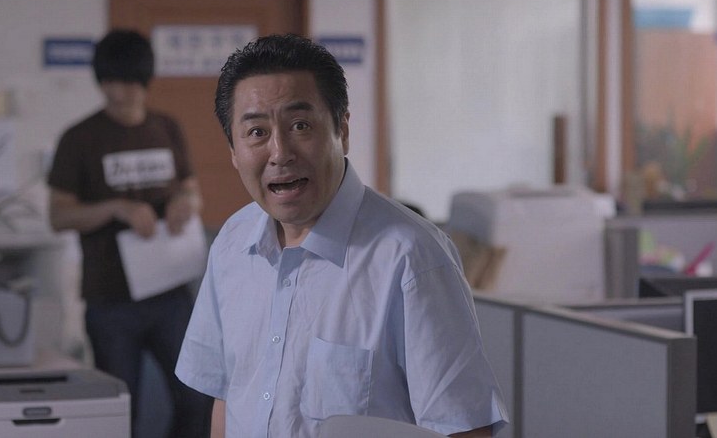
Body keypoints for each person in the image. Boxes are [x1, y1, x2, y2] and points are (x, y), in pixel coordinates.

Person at [175, 33, 508, 437]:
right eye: (257, 132)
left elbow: (464, 429)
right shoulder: (232, 244)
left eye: (300, 125)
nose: (279, 153)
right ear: (233, 151)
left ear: (343, 130)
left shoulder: (411, 257)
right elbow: (228, 397)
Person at [47, 29, 211, 437]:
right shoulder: (79, 138)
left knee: (198, 398)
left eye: (128, 84)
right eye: (109, 83)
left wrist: (185, 202)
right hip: (110, 300)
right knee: (121, 413)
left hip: (170, 291)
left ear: (144, 81)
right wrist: (114, 208)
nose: (119, 94)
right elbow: (59, 216)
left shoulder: (167, 127)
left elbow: (191, 188)